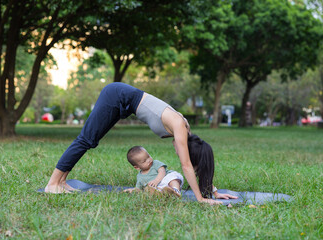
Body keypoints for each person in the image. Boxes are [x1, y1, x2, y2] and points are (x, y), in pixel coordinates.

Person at [45, 82, 236, 205]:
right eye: (181, 151)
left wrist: (213, 190)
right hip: (116, 95)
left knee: (90, 141)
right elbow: (187, 165)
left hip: (125, 102)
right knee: (86, 139)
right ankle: (53, 183)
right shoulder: (180, 126)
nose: (179, 153)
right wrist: (201, 199)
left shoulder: (186, 132)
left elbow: (194, 163)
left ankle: (62, 181)